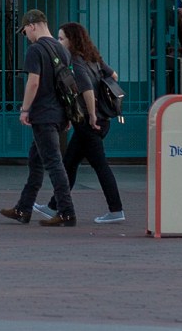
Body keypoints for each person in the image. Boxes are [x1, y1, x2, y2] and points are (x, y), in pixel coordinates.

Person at [3, 10, 78, 226]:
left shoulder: (35, 50)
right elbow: (68, 84)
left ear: (33, 25)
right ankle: (23, 209)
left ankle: (66, 211)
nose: (25, 34)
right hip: (58, 114)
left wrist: (25, 109)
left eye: (25, 29)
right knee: (36, 161)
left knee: (54, 163)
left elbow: (33, 82)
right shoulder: (61, 50)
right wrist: (68, 114)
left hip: (43, 115)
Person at [55, 21, 128, 226]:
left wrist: (92, 114)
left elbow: (86, 89)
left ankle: (116, 209)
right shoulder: (93, 58)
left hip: (90, 122)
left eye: (61, 38)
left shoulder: (76, 61)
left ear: (72, 40)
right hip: (101, 121)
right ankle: (54, 204)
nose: (59, 42)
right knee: (70, 161)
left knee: (100, 165)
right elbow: (113, 75)